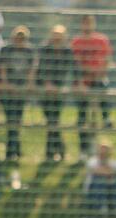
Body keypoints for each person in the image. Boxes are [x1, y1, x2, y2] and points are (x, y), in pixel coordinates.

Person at [71, 15, 114, 155]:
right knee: (83, 118)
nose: (88, 26)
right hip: (82, 81)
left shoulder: (101, 40)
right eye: (85, 23)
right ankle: (83, 150)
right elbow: (75, 64)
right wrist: (81, 82)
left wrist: (99, 74)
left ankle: (106, 116)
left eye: (90, 23)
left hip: (98, 78)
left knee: (104, 86)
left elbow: (107, 60)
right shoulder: (77, 41)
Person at [37, 25, 75, 162]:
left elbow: (72, 68)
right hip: (44, 90)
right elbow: (41, 68)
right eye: (55, 34)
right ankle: (59, 150)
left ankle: (52, 153)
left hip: (59, 91)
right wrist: (47, 83)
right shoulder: (45, 49)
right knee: (52, 120)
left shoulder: (67, 51)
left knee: (53, 120)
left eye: (60, 35)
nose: (57, 38)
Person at [0, 26, 36, 162]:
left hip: (21, 91)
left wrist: (27, 85)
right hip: (8, 92)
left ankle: (14, 150)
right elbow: (2, 68)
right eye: (18, 38)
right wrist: (6, 84)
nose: (20, 41)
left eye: (22, 38)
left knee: (17, 120)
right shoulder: (6, 49)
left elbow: (31, 69)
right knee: (10, 120)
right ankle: (13, 151)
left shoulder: (29, 50)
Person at [82, 139, 116, 218]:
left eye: (106, 151)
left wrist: (114, 170)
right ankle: (98, 209)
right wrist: (111, 171)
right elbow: (96, 171)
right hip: (93, 190)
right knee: (99, 180)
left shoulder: (112, 162)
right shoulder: (92, 161)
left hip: (109, 190)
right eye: (102, 150)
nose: (104, 153)